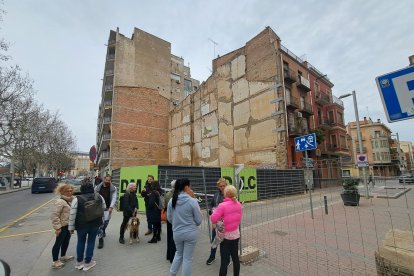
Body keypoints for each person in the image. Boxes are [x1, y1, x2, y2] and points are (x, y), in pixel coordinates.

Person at [69, 178, 105, 272]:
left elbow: (72, 214)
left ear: (82, 189)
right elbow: (104, 207)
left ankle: (79, 263)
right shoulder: (99, 196)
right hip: (95, 223)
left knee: (80, 242)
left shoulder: (77, 199)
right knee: (91, 241)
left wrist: (71, 227)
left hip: (81, 225)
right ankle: (88, 263)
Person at [167, 178, 202, 276]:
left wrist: (177, 223)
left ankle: (172, 274)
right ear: (186, 187)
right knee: (187, 258)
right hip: (191, 233)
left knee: (178, 254)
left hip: (177, 233)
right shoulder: (192, 201)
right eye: (190, 186)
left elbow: (169, 218)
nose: (191, 188)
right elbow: (199, 221)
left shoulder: (171, 201)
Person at [211, 185, 242, 276]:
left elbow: (213, 219)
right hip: (236, 235)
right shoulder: (239, 204)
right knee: (235, 258)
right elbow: (238, 219)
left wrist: (214, 212)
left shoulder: (222, 206)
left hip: (225, 236)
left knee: (224, 261)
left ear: (225, 194)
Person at [50, 183, 74, 269]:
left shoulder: (68, 201)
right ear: (63, 192)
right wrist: (57, 228)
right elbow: (55, 215)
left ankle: (63, 256)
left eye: (71, 191)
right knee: (58, 243)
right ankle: (55, 261)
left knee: (66, 242)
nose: (70, 192)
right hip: (62, 226)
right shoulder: (60, 202)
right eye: (68, 191)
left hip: (68, 226)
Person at [206, 178, 228, 265]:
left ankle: (227, 259)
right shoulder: (216, 195)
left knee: (225, 242)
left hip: (225, 224)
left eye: (224, 186)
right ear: (218, 187)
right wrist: (211, 210)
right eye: (221, 186)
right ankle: (212, 256)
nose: (222, 187)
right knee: (214, 240)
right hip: (216, 223)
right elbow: (212, 205)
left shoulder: (229, 195)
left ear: (226, 185)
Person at [95, 175, 118, 249]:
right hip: (99, 208)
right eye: (106, 180)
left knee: (106, 222)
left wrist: (111, 207)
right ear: (104, 179)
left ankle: (104, 229)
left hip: (108, 208)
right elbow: (94, 197)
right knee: (100, 225)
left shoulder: (113, 188)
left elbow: (114, 198)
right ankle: (100, 239)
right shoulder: (97, 187)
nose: (107, 181)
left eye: (109, 180)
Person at [165, 180, 177, 263]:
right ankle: (173, 257)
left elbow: (165, 206)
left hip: (169, 219)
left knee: (169, 237)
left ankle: (168, 255)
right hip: (175, 219)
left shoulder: (167, 194)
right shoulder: (176, 195)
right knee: (174, 238)